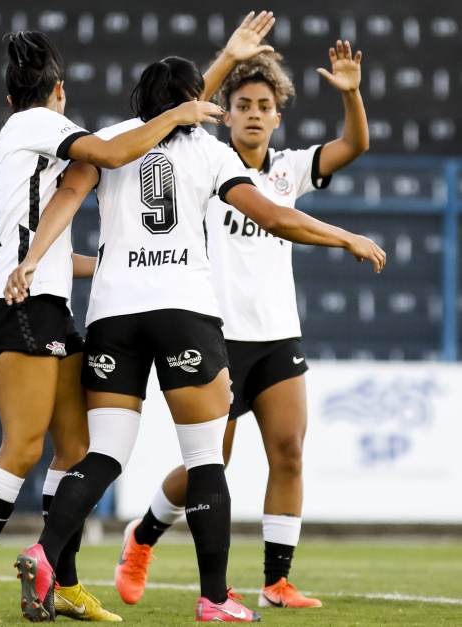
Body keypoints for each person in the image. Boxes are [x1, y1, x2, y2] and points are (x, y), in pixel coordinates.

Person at [3, 53, 384, 622]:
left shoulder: (108, 140)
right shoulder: (210, 151)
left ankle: (44, 551)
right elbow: (276, 217)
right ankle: (215, 598)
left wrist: (31, 260)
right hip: (184, 312)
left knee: (105, 452)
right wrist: (345, 236)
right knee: (206, 457)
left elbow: (65, 197)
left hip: (114, 315)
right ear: (191, 101)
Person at [0, 30, 225, 623]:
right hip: (21, 303)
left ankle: (62, 581)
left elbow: (61, 241)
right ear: (58, 91)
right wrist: (180, 111)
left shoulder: (23, 133)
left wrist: (106, 263)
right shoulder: (37, 124)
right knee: (20, 449)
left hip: (47, 300)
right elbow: (119, 153)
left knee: (76, 448)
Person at [118, 40, 369, 610]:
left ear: (279, 116)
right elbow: (174, 113)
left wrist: (352, 95)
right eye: (243, 104)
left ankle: (277, 582)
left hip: (279, 335)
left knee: (289, 451)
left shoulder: (289, 169)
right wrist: (226, 61)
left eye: (264, 104)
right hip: (217, 337)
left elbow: (355, 144)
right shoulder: (201, 158)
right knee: (212, 465)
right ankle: (142, 537)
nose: (254, 113)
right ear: (222, 112)